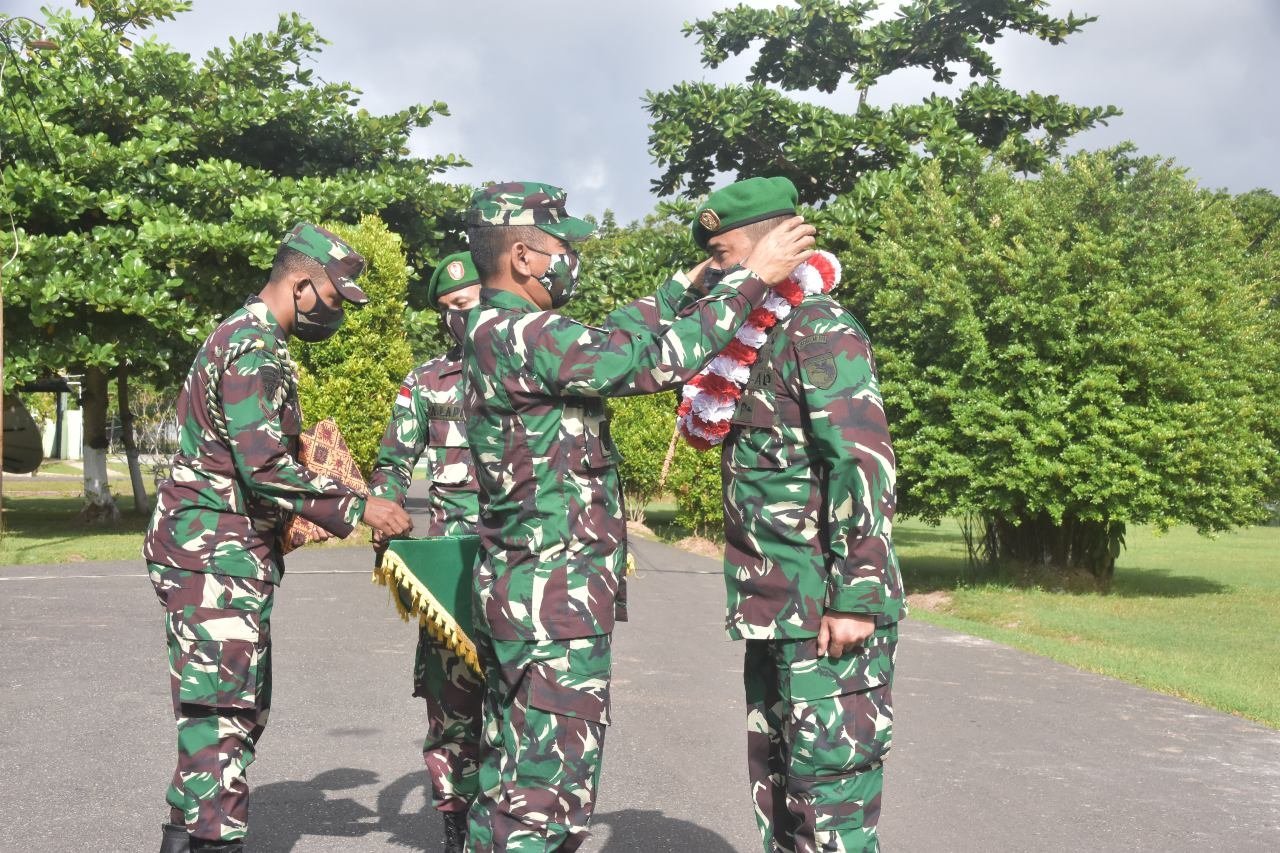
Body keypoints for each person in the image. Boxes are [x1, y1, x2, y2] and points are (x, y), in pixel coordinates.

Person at [457, 181, 816, 852]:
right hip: (551, 603)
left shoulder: (497, 330)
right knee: (544, 800)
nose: (571, 260)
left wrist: (683, 287)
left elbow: (612, 337)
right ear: (524, 256)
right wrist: (752, 281)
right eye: (562, 247)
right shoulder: (525, 333)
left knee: (509, 780)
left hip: (526, 591)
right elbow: (649, 360)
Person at [143, 223, 414, 853]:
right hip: (214, 555)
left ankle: (186, 832)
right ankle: (213, 840)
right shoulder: (254, 348)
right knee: (223, 715)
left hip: (219, 553)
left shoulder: (247, 337)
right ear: (300, 286)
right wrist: (360, 507)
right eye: (335, 298)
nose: (337, 313)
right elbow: (262, 464)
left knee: (231, 709)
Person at [687, 176, 907, 853]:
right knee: (781, 792)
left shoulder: (819, 328)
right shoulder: (755, 336)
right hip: (775, 609)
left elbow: (862, 462)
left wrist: (857, 597)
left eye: (722, 255)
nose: (714, 273)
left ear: (773, 246)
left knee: (830, 800)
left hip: (826, 612)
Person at [368, 251, 484, 852]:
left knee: (524, 699)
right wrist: (385, 511)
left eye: (466, 303)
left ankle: (511, 819)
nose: (457, 317)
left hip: (524, 557)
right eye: (448, 309)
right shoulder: (427, 381)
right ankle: (455, 822)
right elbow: (394, 461)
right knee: (452, 702)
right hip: (450, 568)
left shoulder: (538, 367)